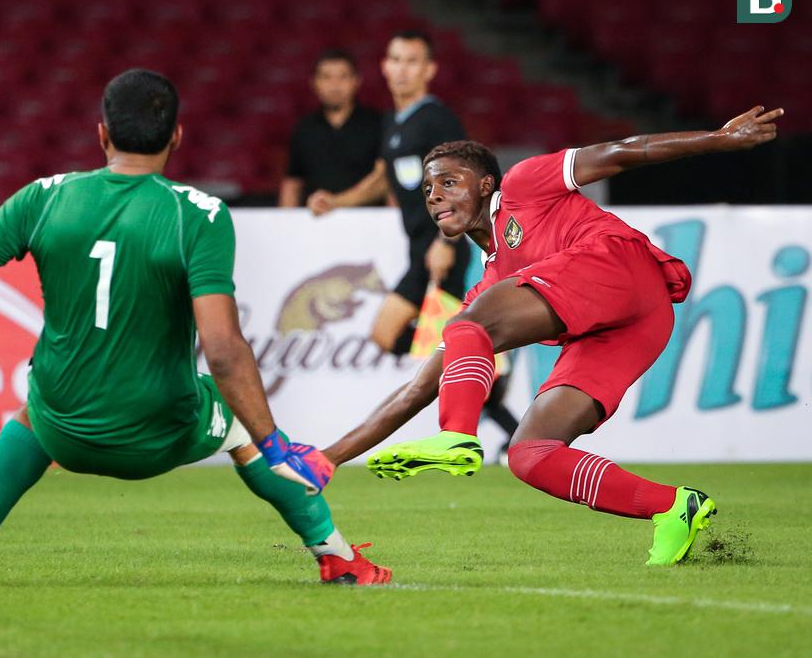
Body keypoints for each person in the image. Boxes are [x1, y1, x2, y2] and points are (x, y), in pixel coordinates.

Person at [0, 69, 389, 585]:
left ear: (101, 133)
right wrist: (275, 444)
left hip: (64, 431)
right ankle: (337, 557)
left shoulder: (43, 198)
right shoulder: (198, 214)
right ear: (176, 136)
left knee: (35, 407)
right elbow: (222, 351)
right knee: (241, 428)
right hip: (157, 436)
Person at [320, 105, 783, 566]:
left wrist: (717, 140)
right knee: (530, 454)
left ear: (485, 185)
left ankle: (456, 437)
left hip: (619, 266)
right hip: (634, 325)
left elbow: (619, 152)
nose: (434, 196)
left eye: (447, 182)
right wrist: (331, 458)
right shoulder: (487, 287)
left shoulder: (522, 186)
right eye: (427, 188)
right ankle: (673, 506)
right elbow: (419, 388)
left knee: (467, 327)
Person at [307, 32, 472, 357]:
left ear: (429, 70)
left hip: (442, 253)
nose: (402, 70)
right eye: (396, 60)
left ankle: (484, 378)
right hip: (420, 250)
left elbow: (464, 184)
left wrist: (447, 242)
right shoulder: (393, 122)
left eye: (412, 62)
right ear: (384, 66)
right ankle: (489, 384)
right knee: (436, 346)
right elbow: (384, 179)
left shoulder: (437, 120)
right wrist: (335, 201)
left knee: (390, 332)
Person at [278, 49, 382, 208]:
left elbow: (386, 182)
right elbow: (292, 184)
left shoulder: (378, 125)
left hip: (366, 223)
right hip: (315, 223)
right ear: (314, 83)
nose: (335, 85)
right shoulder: (304, 130)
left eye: (343, 76)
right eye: (326, 77)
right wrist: (284, 225)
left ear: (356, 81)